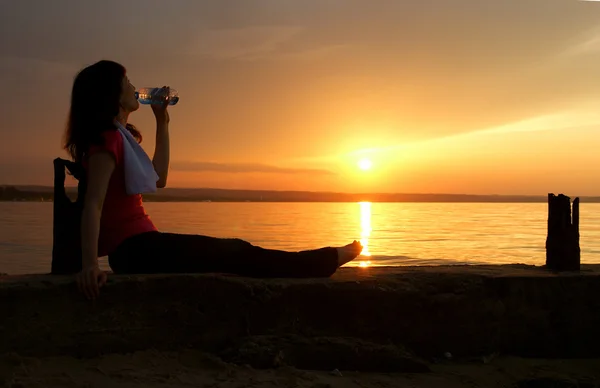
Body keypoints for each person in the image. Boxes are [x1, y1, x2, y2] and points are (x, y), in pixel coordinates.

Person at [63, 60, 363, 300]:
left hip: (143, 246)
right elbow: (93, 205)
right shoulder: (106, 140)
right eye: (126, 81)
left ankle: (317, 261)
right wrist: (90, 266)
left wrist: (162, 121)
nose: (133, 86)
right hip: (134, 250)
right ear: (112, 94)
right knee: (234, 252)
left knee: (234, 252)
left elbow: (160, 179)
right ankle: (321, 262)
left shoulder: (122, 138)